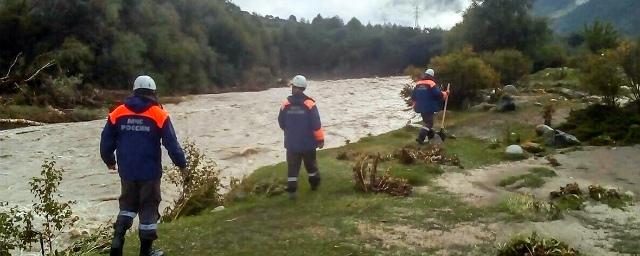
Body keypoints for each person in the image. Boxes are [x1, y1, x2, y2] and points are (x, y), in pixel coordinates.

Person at [100, 75, 187, 256]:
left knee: (127, 206)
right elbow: (171, 144)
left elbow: (106, 142)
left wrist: (109, 160)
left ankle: (117, 243)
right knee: (148, 208)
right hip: (150, 172)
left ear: (134, 91)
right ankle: (146, 252)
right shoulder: (159, 114)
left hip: (127, 170)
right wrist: (182, 164)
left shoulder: (117, 112)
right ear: (153, 93)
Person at [278, 75, 324, 200]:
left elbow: (281, 122)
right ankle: (315, 184)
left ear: (293, 87)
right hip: (308, 143)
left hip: (291, 144)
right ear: (303, 88)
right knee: (311, 166)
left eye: (293, 86)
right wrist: (320, 139)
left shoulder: (285, 104)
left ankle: (292, 191)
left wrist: (289, 132)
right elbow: (316, 124)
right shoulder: (310, 103)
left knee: (292, 168)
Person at [411, 68, 450, 144]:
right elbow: (438, 94)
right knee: (429, 123)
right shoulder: (431, 83)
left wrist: (414, 104)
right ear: (432, 75)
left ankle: (431, 136)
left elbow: (413, 96)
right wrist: (446, 93)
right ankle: (420, 137)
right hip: (429, 107)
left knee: (426, 121)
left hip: (420, 107)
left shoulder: (418, 83)